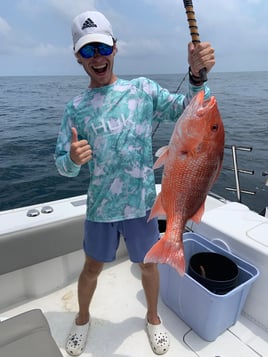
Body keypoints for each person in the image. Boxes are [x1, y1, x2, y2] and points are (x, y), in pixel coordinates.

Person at [55, 10, 215, 356]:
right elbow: (62, 167)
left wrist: (196, 75)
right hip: (101, 207)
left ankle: (153, 318)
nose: (97, 58)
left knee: (148, 264)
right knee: (92, 267)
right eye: (87, 51)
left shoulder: (142, 90)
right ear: (77, 58)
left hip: (143, 204)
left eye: (101, 47)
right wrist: (72, 159)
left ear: (115, 47)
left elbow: (188, 108)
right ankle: (82, 319)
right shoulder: (76, 109)